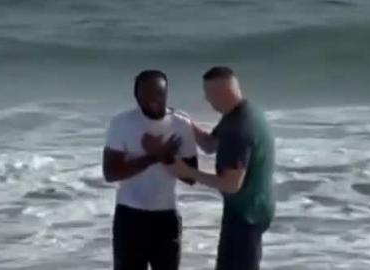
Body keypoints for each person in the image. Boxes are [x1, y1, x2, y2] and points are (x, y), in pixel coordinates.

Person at [168, 66, 275, 270]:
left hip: (247, 214)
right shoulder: (240, 112)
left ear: (222, 93)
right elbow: (210, 145)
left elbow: (231, 184)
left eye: (209, 94)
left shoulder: (239, 129)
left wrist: (187, 172)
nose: (207, 100)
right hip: (253, 206)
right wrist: (186, 123)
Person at [103, 70, 199, 270]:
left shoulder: (181, 125)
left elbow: (191, 177)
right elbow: (111, 173)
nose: (153, 100)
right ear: (136, 96)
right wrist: (153, 157)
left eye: (159, 94)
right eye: (145, 96)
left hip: (166, 216)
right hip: (129, 216)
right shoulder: (121, 123)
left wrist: (165, 156)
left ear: (166, 93)